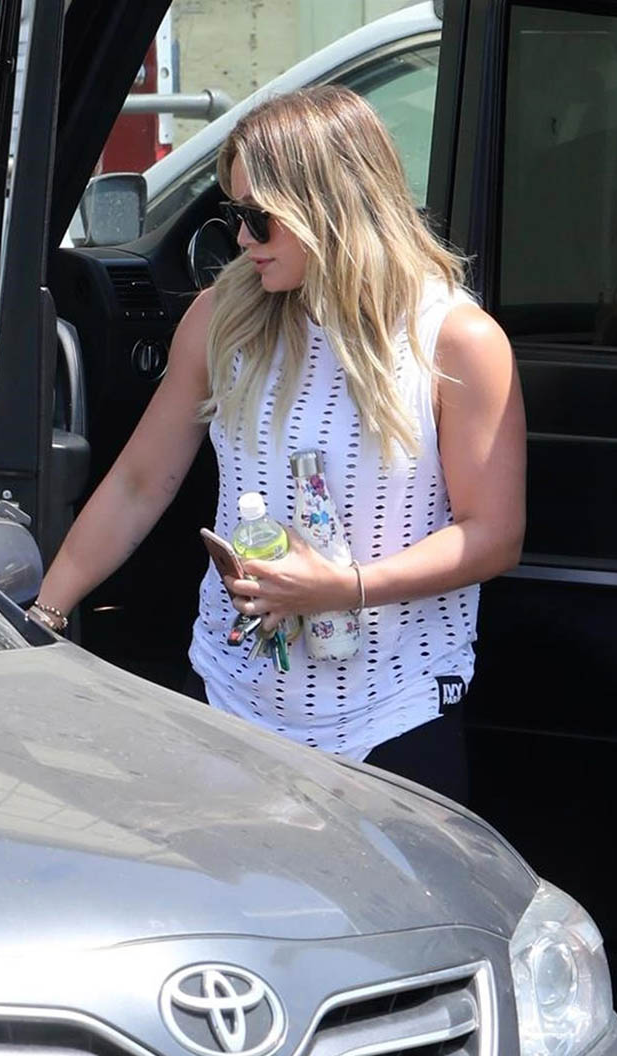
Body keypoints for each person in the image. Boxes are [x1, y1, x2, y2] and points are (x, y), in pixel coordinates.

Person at [30, 86, 526, 805]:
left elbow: (492, 535)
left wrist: (343, 589)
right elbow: (140, 482)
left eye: (259, 219)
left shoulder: (455, 340)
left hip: (393, 711)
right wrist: (43, 617)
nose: (240, 240)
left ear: (329, 206)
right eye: (234, 217)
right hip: (230, 700)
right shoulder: (221, 316)